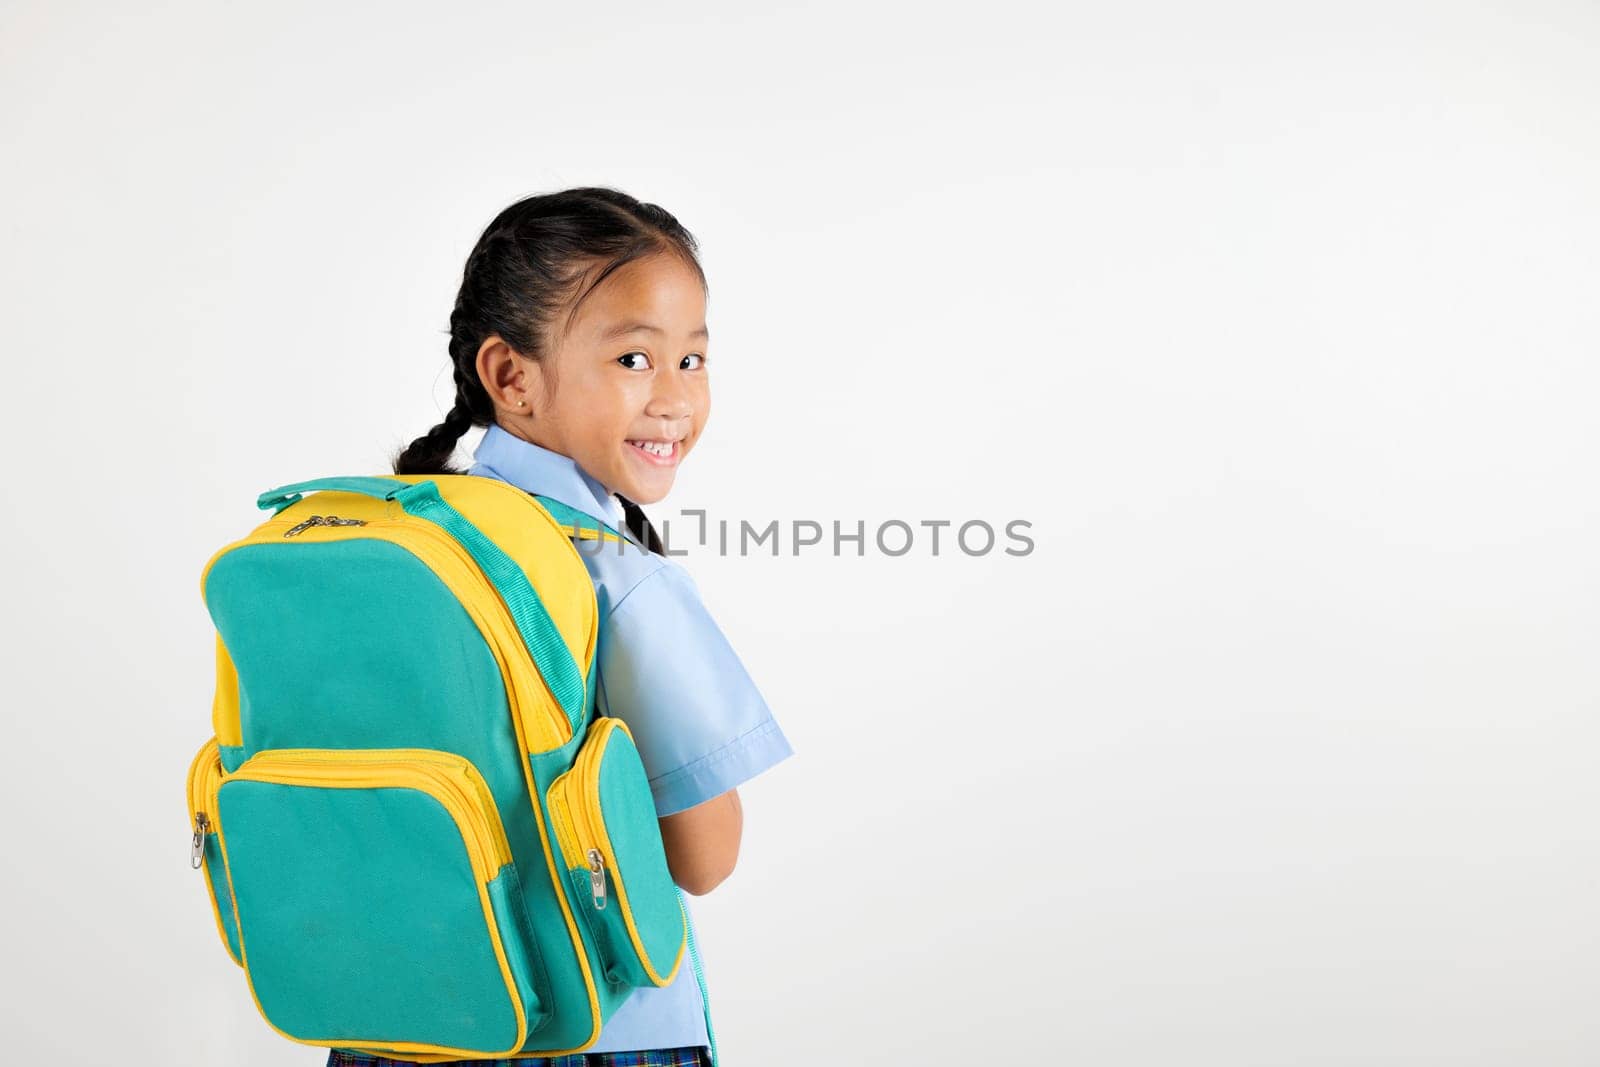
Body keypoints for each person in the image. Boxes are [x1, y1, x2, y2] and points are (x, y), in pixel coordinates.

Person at [328, 188, 795, 1067]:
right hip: (589, 1029)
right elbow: (704, 857)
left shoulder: (397, 540)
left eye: (692, 361)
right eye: (633, 358)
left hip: (396, 1018)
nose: (673, 398)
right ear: (510, 376)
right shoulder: (611, 575)